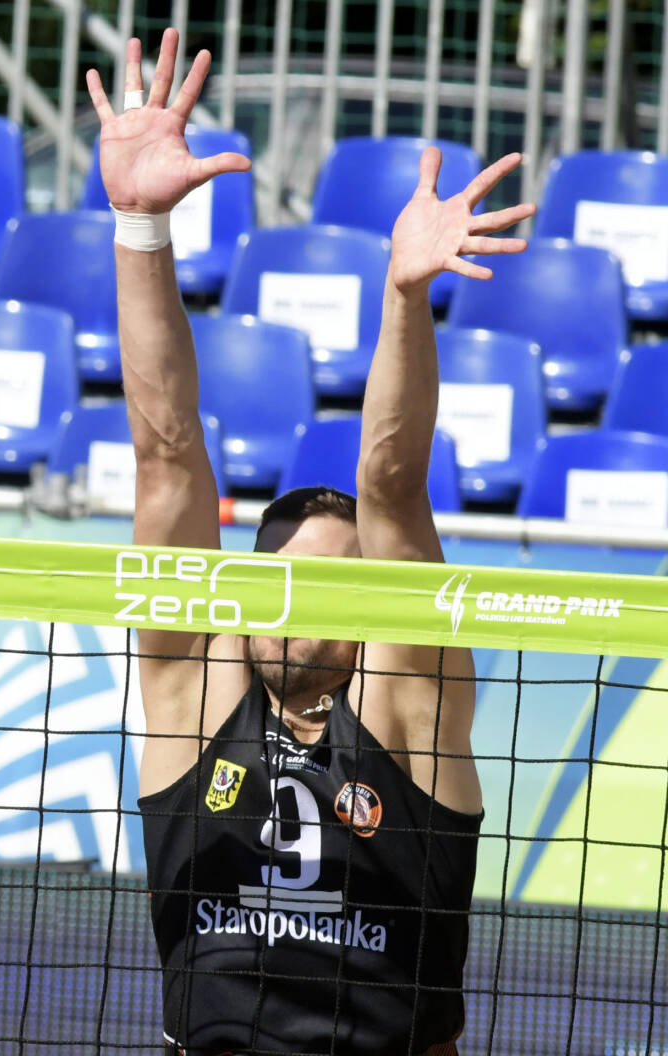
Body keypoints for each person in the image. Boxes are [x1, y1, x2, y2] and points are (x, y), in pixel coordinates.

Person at [88, 29, 535, 1056]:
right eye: (276, 582)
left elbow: (391, 483)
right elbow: (167, 454)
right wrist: (140, 226)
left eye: (329, 585)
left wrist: (404, 295)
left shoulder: (407, 711)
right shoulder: (192, 696)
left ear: (371, 610)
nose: (291, 606)